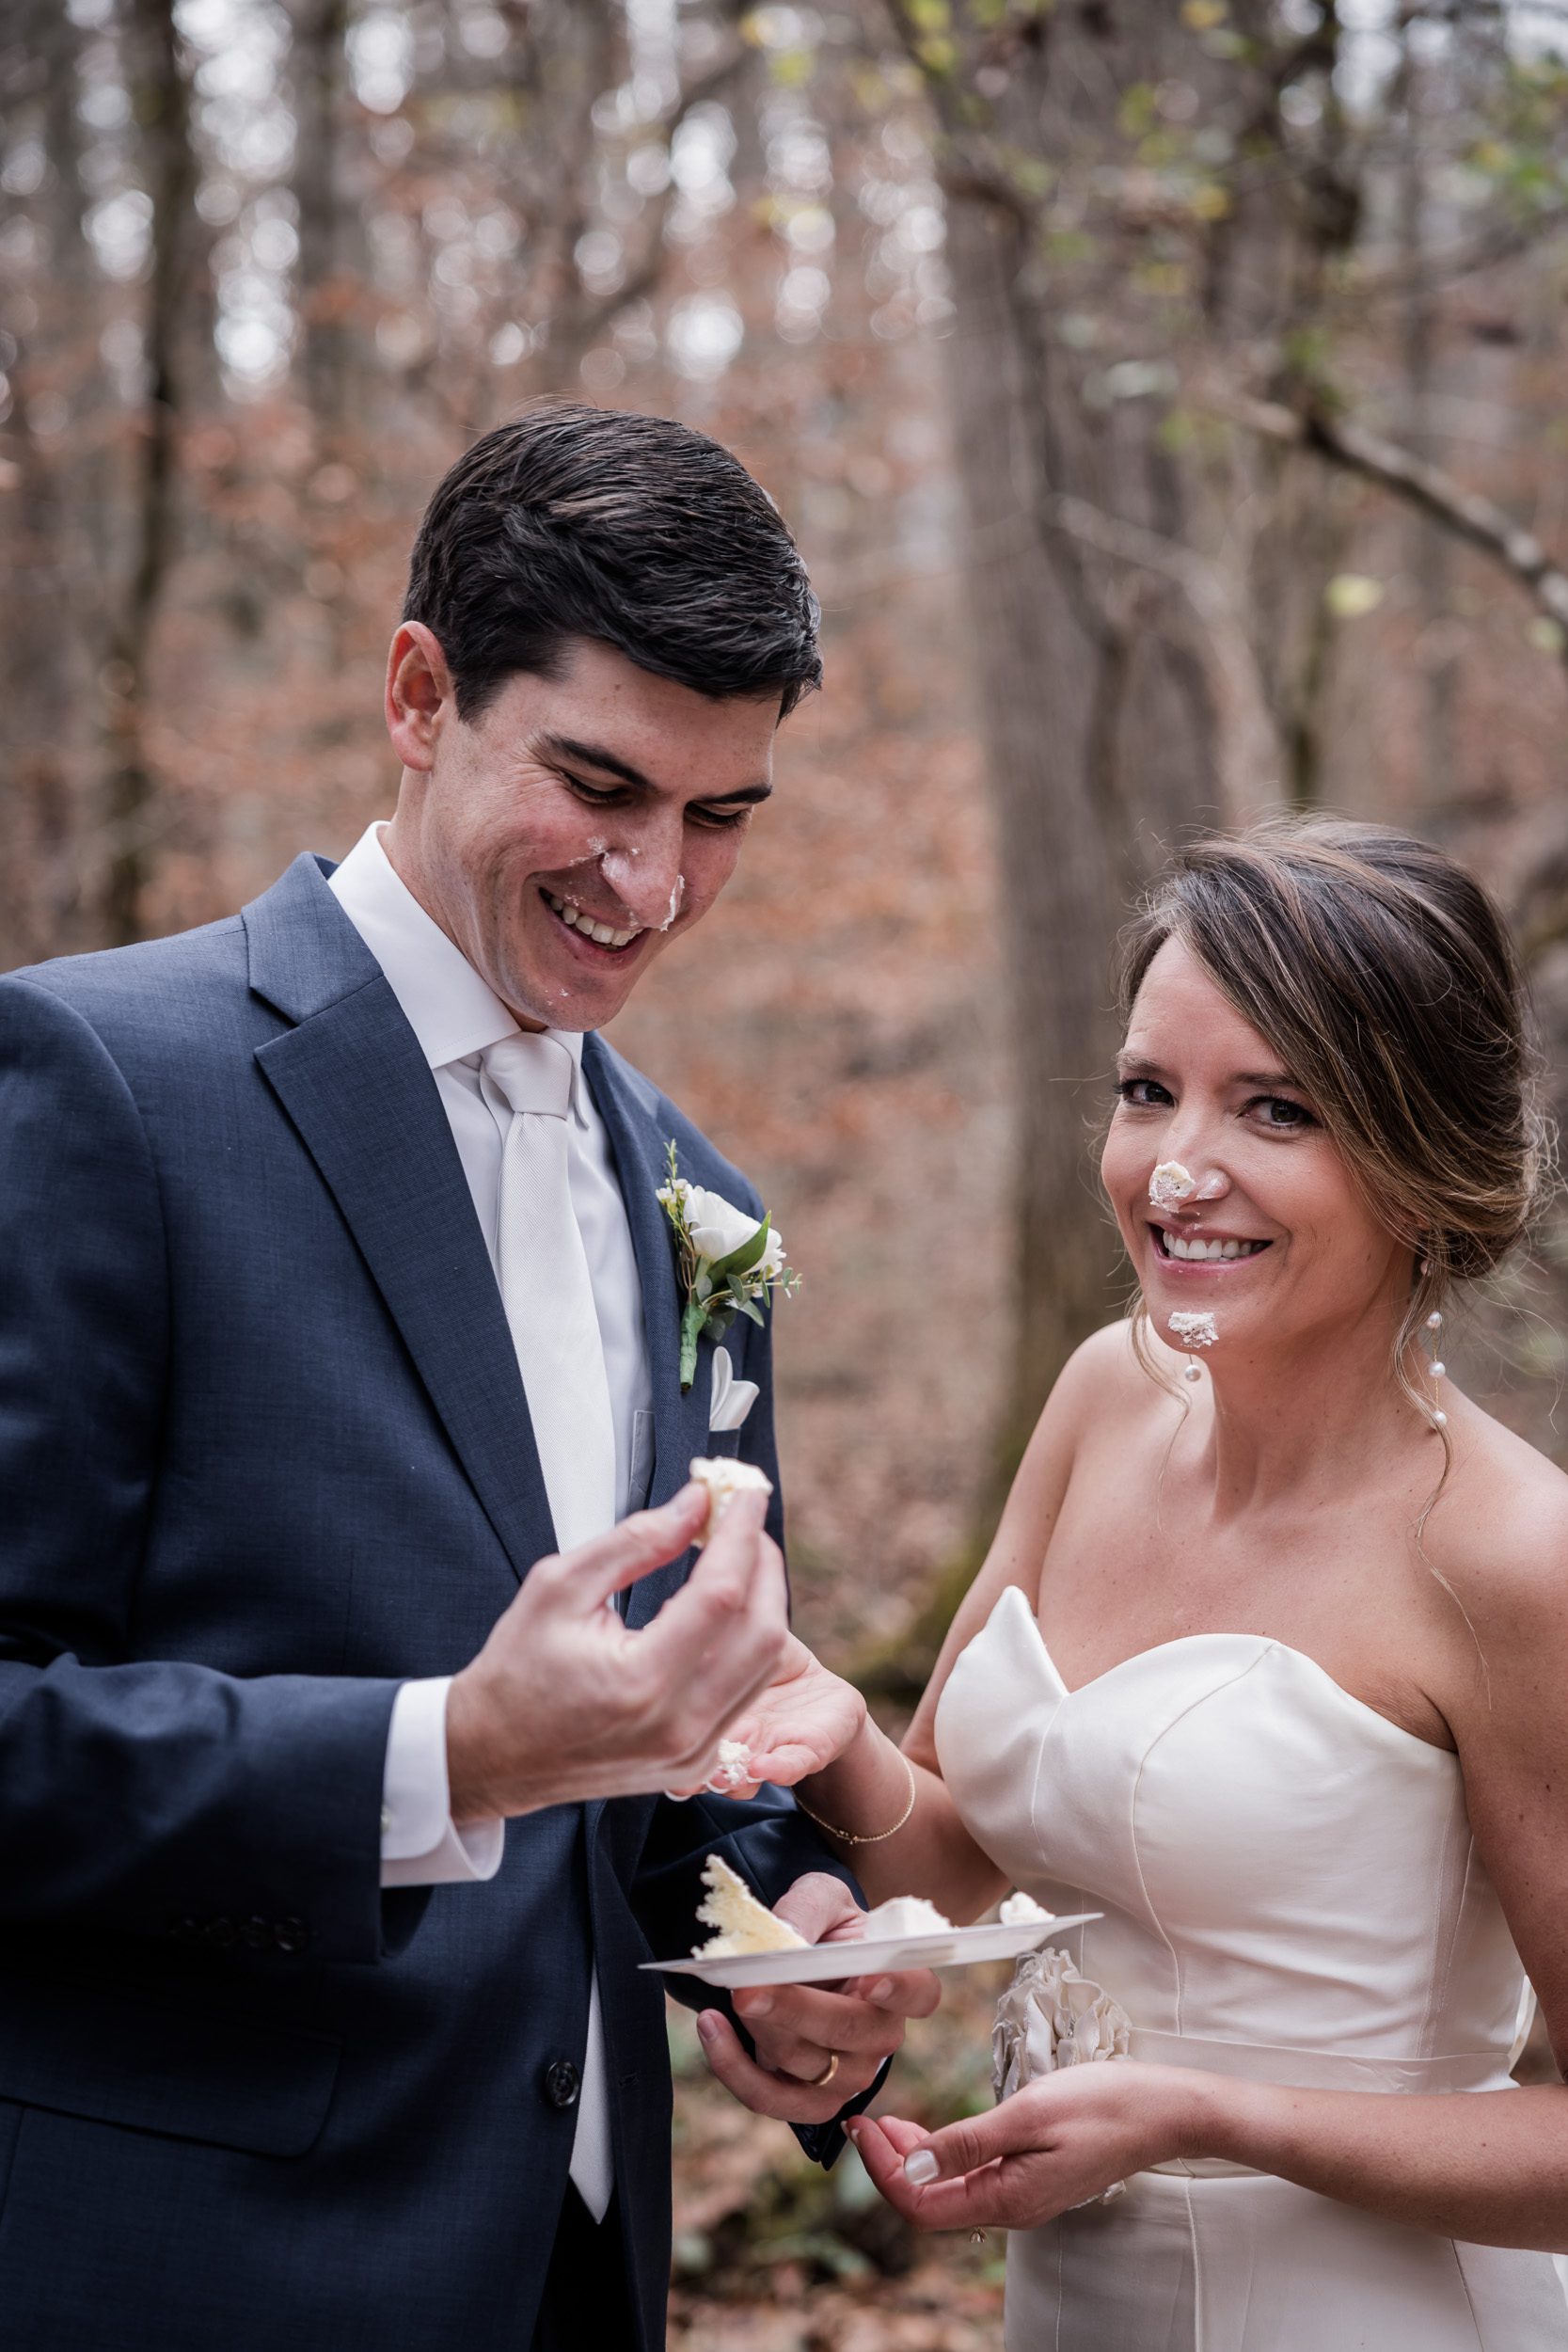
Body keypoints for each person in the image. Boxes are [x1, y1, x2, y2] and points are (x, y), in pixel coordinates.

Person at [0, 404, 937, 2352]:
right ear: (419, 693)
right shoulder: (98, 1083)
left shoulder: (708, 1204)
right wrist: (442, 1755)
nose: (656, 880)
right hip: (190, 2275)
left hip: (578, 2277)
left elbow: (664, 1760)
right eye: (599, 784)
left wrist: (772, 1942)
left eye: (722, 814)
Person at [730, 818, 1568, 2346]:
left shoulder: (1514, 1557)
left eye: (1276, 1108)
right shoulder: (1106, 1394)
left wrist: (1213, 2114)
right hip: (1071, 2305)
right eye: (1146, 1091)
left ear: (1419, 1153)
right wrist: (833, 1738)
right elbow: (953, 1850)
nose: (1178, 1169)